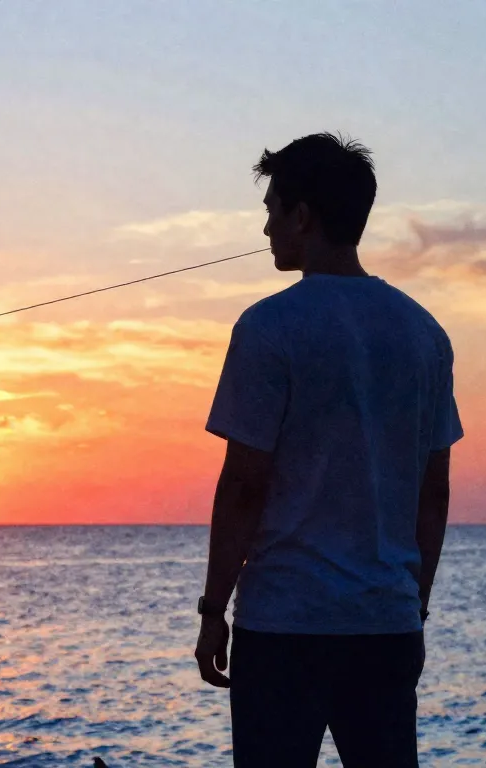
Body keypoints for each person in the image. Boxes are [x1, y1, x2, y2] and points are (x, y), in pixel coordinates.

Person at [193, 134, 462, 766]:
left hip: (285, 627)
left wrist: (212, 610)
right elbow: (434, 492)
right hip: (387, 626)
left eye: (271, 210)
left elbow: (244, 486)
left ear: (302, 216)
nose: (265, 228)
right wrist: (415, 603)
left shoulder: (268, 327)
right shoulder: (425, 333)